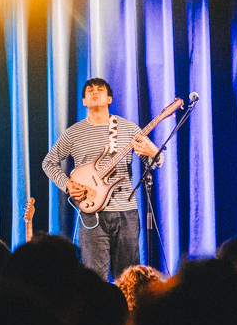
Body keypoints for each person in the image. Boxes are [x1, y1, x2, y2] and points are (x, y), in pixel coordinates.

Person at [42, 78, 161, 281]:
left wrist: (155, 153)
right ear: (84, 101)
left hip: (126, 212)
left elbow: (156, 162)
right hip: (91, 215)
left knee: (129, 279)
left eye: (100, 89)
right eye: (90, 90)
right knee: (93, 280)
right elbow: (48, 162)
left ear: (109, 99)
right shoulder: (73, 133)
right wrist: (68, 185)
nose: (95, 92)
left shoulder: (129, 129)